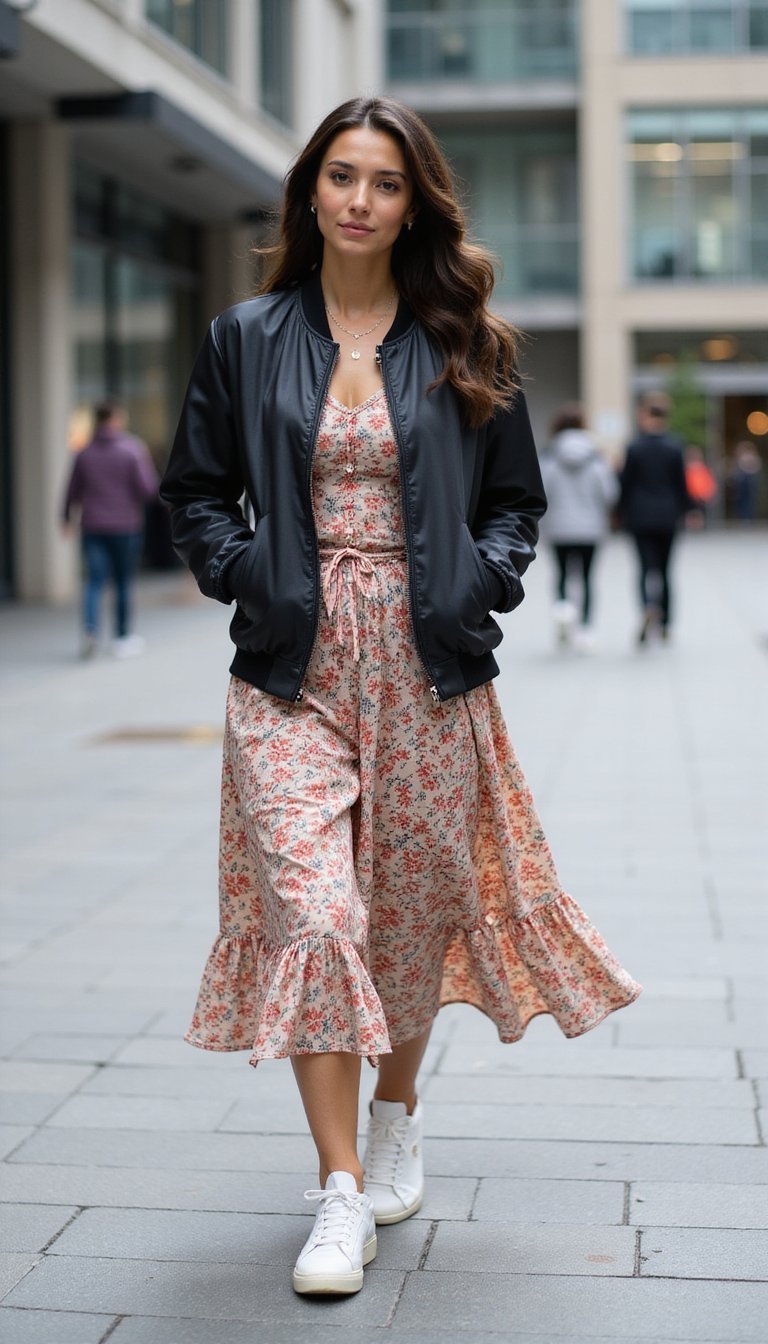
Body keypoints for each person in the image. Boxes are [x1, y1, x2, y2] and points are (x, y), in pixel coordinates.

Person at [160, 96, 642, 1298]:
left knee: (408, 917)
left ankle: (397, 1113)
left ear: (413, 202)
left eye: (385, 182)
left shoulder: (467, 339)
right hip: (290, 667)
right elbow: (200, 489)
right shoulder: (245, 334)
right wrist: (242, 574)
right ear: (311, 192)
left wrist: (485, 583)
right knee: (318, 917)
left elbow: (514, 503)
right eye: (342, 177)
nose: (361, 200)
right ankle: (336, 1194)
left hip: (429, 666)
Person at [62, 402, 159, 658]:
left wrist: (64, 518)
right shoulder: (132, 450)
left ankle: (91, 631)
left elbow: (71, 490)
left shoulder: (84, 454)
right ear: (116, 419)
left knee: (94, 581)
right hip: (125, 526)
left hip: (92, 526)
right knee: (123, 582)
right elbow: (147, 489)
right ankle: (122, 637)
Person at [539, 403, 618, 651]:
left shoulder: (549, 456)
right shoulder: (596, 457)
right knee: (586, 578)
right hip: (590, 528)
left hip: (559, 527)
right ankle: (584, 630)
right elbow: (609, 493)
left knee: (562, 575)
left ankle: (563, 613)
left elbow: (540, 492)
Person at [618, 392, 690, 644]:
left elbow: (625, 484)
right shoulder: (675, 446)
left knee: (644, 569)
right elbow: (681, 484)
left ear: (646, 415)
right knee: (666, 570)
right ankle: (667, 623)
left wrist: (620, 512)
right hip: (667, 515)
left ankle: (649, 606)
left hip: (640, 515)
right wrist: (686, 510)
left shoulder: (634, 447)